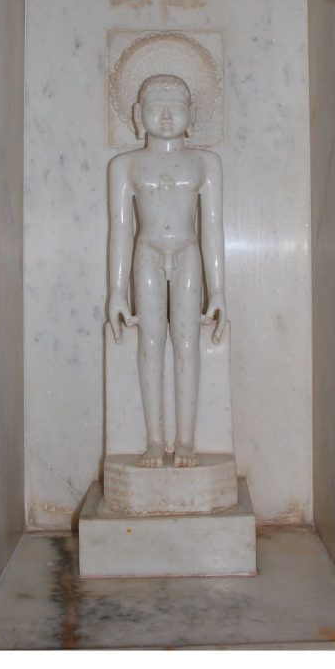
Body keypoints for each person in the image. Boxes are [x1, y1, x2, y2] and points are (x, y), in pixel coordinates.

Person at [108, 74, 227, 467]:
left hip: (188, 251)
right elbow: (121, 230)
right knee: (151, 342)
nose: (164, 116)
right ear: (137, 113)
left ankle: (186, 440)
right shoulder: (126, 166)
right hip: (147, 252)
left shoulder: (205, 163)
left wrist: (218, 290)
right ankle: (155, 441)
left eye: (175, 106)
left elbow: (212, 228)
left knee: (187, 342)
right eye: (155, 106)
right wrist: (116, 291)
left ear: (192, 113)